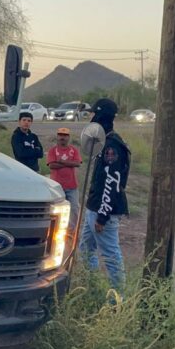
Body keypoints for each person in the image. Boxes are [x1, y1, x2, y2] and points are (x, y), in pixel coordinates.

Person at [79, 98, 130, 290]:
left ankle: (118, 298)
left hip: (103, 211)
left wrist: (102, 216)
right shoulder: (103, 142)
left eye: (94, 114)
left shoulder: (112, 146)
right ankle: (91, 288)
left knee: (111, 256)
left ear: (101, 116)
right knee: (85, 249)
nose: (91, 117)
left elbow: (112, 182)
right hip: (93, 207)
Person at [46, 127, 82, 214]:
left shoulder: (74, 150)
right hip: (57, 186)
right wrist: (69, 163)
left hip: (72, 186)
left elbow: (77, 163)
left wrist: (62, 162)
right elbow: (52, 165)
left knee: (74, 208)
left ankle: (72, 224)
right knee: (56, 210)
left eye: (65, 135)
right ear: (57, 137)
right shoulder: (52, 150)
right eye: (61, 135)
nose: (63, 137)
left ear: (68, 137)